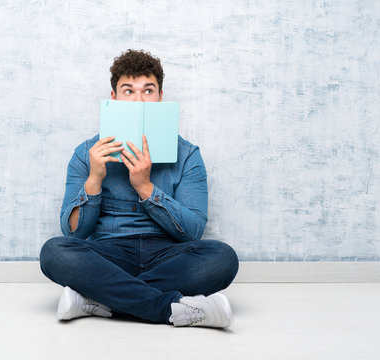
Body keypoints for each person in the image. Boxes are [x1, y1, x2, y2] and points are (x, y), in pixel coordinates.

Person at [40, 49, 239, 328]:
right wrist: (94, 179)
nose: (138, 99)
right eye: (128, 91)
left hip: (167, 258)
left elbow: (193, 231)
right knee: (54, 252)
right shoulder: (86, 153)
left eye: (148, 91)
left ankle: (99, 300)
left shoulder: (188, 155)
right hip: (109, 256)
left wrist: (146, 188)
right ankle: (169, 309)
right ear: (114, 98)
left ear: (159, 97)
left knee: (223, 258)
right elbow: (73, 232)